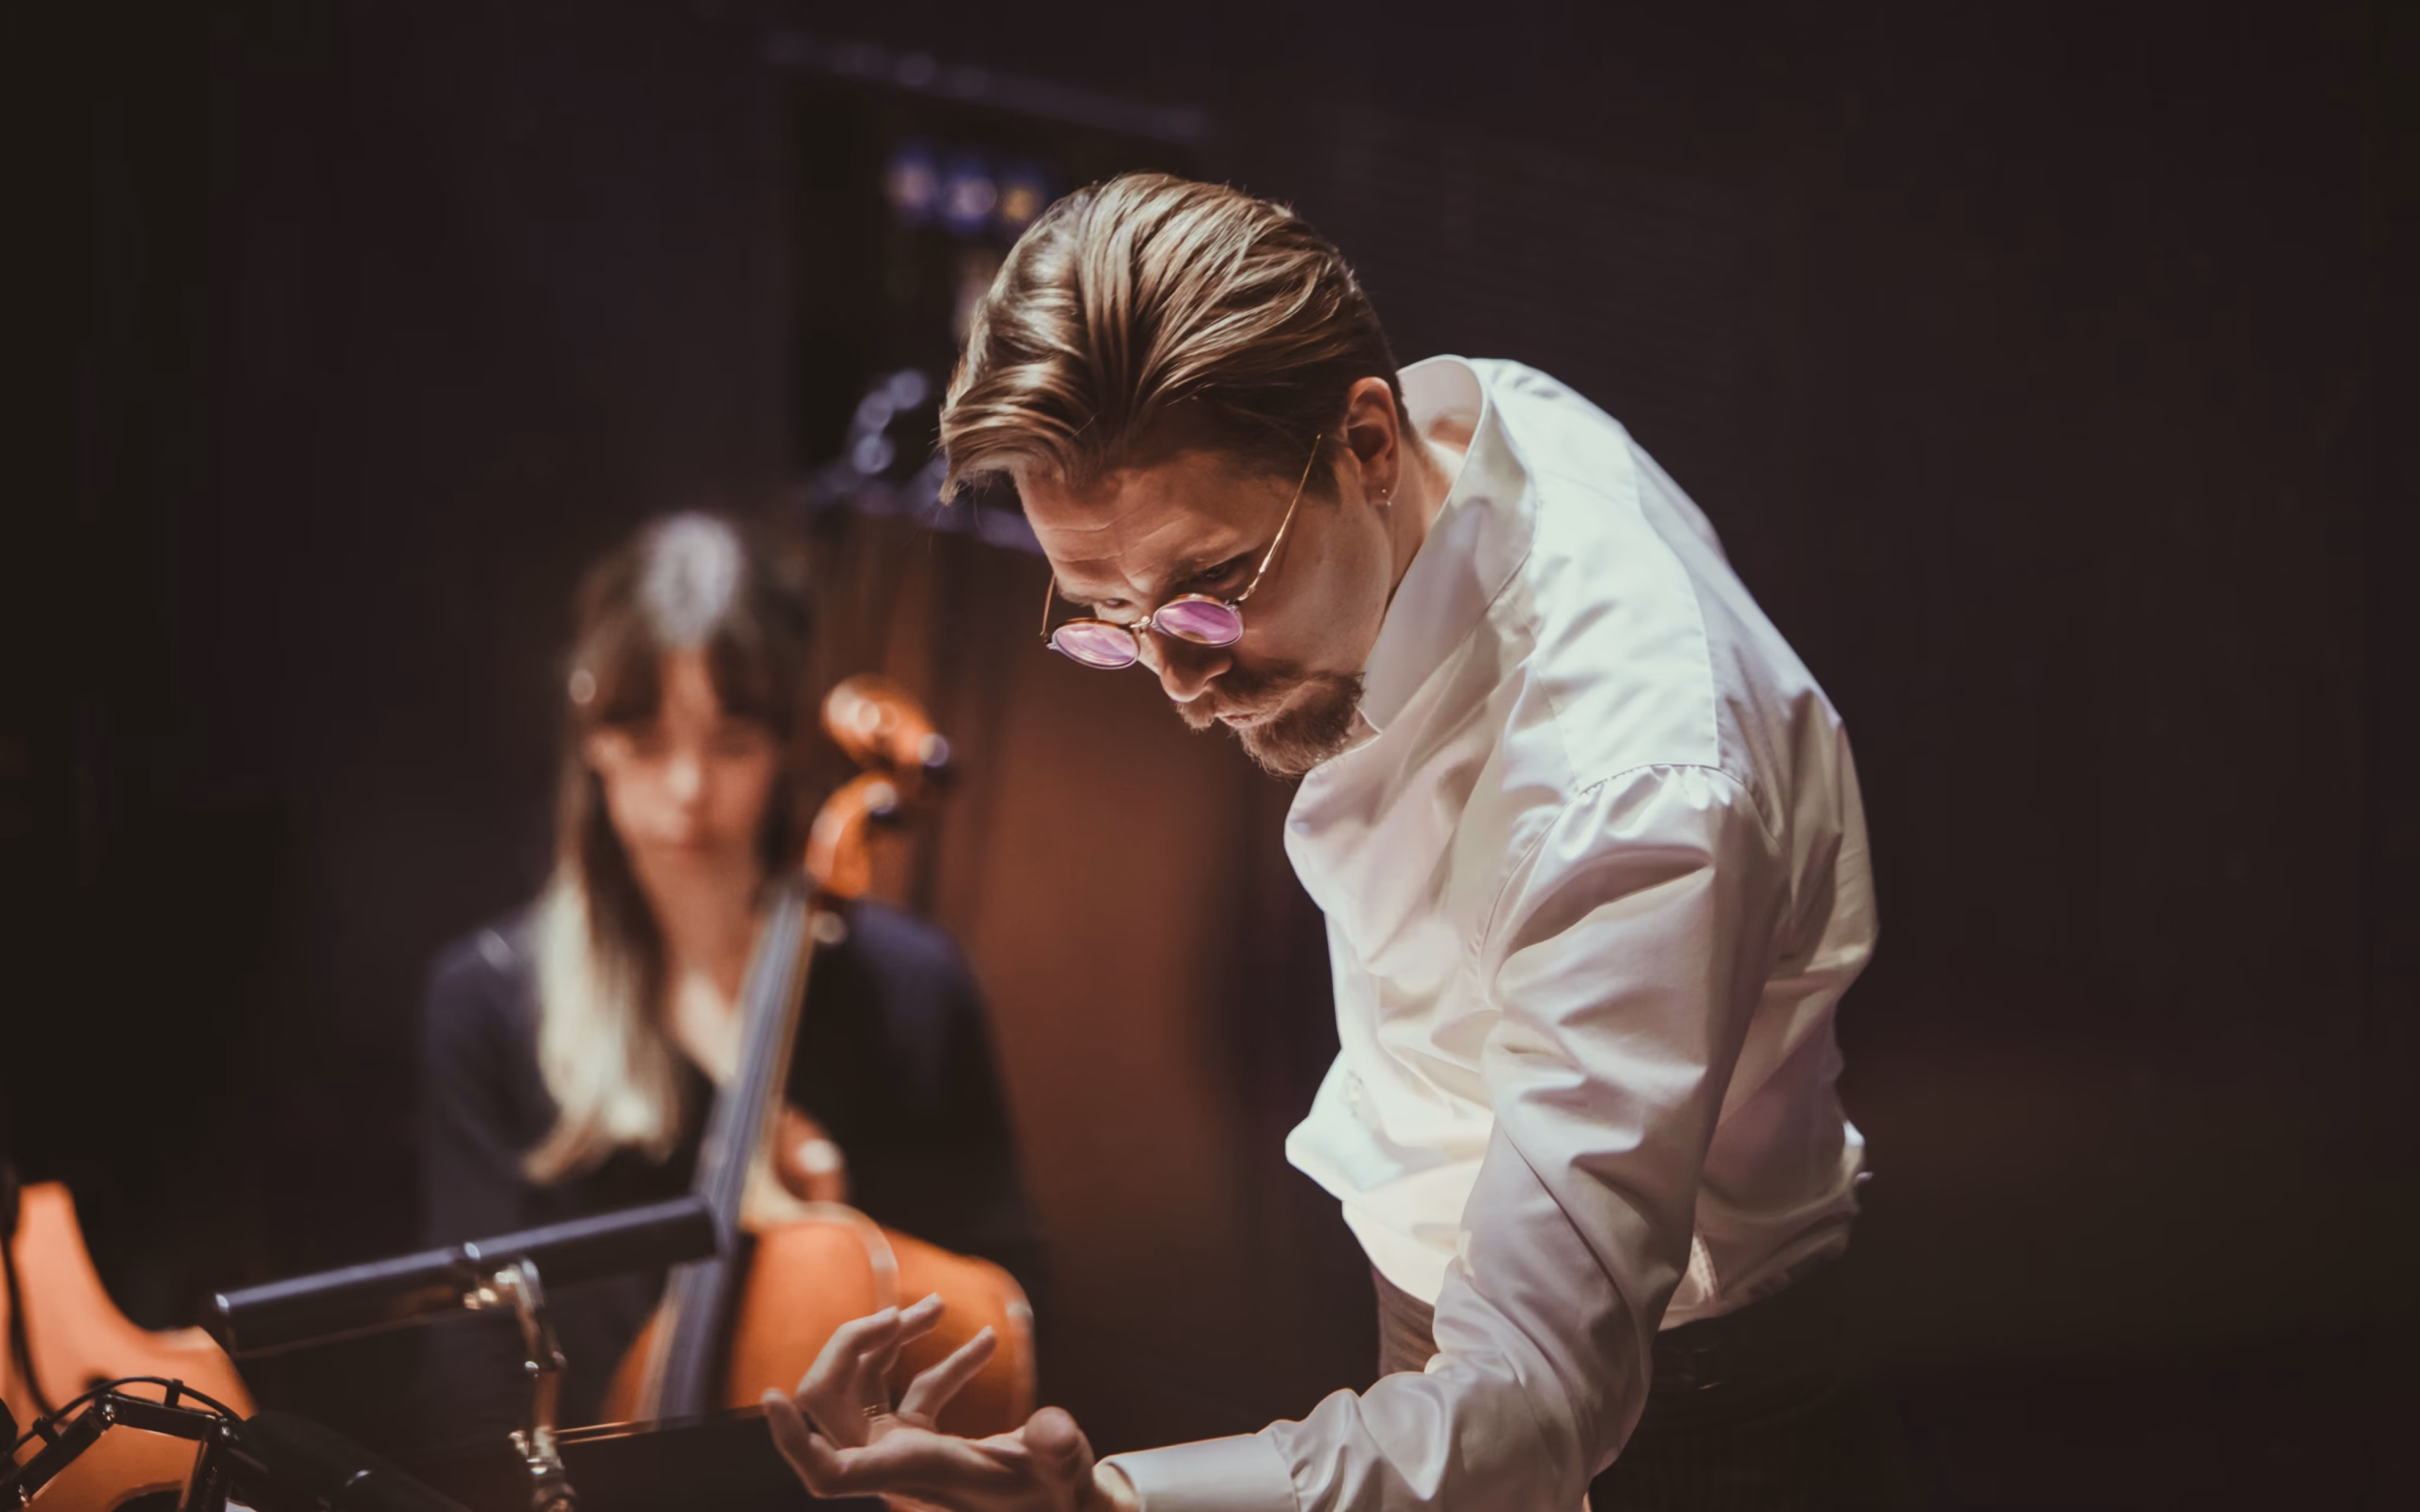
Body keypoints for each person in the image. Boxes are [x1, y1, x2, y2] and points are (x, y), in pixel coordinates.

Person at [763, 174, 1898, 1511]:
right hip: (1435, 1340)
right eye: (1106, 616)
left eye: (1210, 589)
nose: (1181, 685)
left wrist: (1114, 1505)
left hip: (1677, 1415)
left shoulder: (1626, 792)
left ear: (1366, 442)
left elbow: (1537, 1396)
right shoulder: (1466, 432)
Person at [417, 511, 1043, 1442]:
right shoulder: (487, 999)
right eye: (646, 741)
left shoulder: (915, 989)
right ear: (591, 737)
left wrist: (841, 1240)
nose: (688, 790)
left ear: (787, 744)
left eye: (732, 742)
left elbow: (1011, 1316)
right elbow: (473, 1361)